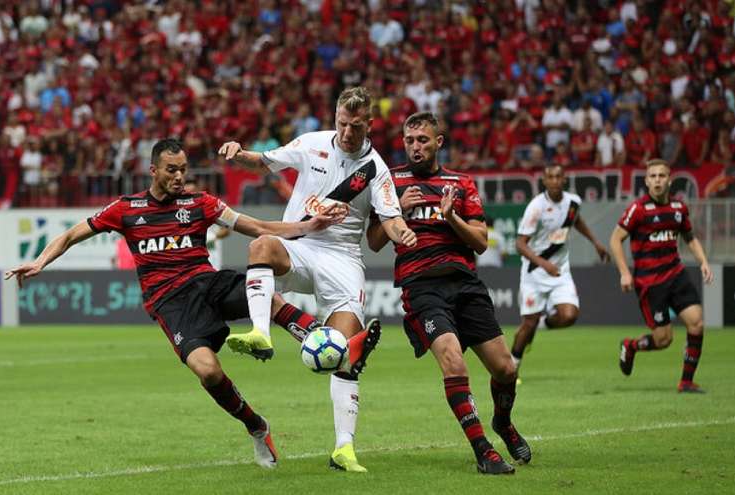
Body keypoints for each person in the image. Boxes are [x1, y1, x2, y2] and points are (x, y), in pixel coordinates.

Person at [4, 139, 349, 470]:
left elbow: (258, 226)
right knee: (209, 372)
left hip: (207, 283)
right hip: (170, 302)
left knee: (264, 294)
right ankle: (257, 426)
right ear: (153, 170)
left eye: (183, 169)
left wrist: (308, 226)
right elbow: (70, 234)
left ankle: (323, 339)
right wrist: (40, 262)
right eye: (171, 170)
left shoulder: (201, 203)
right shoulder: (127, 209)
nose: (179, 177)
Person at [218, 87, 417, 472]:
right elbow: (264, 163)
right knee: (261, 246)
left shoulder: (376, 169)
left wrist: (401, 232)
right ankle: (260, 331)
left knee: (343, 354)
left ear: (369, 125)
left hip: (343, 261)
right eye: (342, 123)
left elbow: (390, 218)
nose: (346, 132)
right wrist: (239, 154)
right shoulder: (312, 144)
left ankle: (343, 448)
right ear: (335, 118)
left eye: (355, 127)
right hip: (302, 245)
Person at [366, 112, 530, 475]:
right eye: (409, 140)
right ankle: (483, 450)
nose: (415, 146)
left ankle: (502, 423)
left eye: (423, 140)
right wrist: (400, 211)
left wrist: (451, 216)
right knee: (453, 360)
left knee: (505, 368)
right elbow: (374, 242)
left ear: (439, 142)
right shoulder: (391, 182)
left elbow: (482, 243)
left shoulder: (461, 183)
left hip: (464, 283)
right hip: (421, 286)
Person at [610, 159, 713, 393]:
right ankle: (631, 346)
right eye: (653, 176)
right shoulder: (638, 210)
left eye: (662, 176)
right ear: (646, 181)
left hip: (676, 273)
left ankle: (686, 382)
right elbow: (615, 239)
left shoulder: (678, 209)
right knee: (664, 340)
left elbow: (689, 237)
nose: (657, 180)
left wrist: (703, 261)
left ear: (669, 180)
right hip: (650, 282)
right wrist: (625, 273)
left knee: (696, 322)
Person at [510, 164, 610, 371]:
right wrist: (544, 264)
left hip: (560, 270)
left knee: (569, 315)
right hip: (534, 271)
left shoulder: (573, 202)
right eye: (550, 177)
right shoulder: (536, 207)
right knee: (527, 325)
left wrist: (595, 242)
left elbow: (576, 221)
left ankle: (541, 324)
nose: (554, 181)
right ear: (544, 181)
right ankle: (512, 369)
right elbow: (520, 244)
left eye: (558, 177)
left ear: (564, 179)